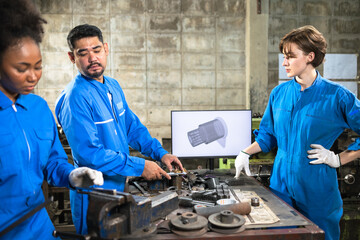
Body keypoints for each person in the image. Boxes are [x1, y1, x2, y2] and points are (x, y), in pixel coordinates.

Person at [55, 24, 184, 234]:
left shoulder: (112, 86)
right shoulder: (75, 98)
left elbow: (131, 127)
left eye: (96, 50)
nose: (92, 58)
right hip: (94, 196)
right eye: (83, 53)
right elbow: (90, 155)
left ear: (106, 48)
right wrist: (140, 166)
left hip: (118, 189)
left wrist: (160, 153)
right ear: (72, 57)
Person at [234, 25, 360, 240]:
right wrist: (246, 152)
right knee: (282, 234)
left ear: (310, 56)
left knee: (321, 236)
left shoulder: (337, 96)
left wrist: (339, 159)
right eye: (284, 57)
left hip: (317, 185)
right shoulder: (279, 93)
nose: (284, 63)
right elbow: (268, 135)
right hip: (280, 183)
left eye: (290, 57)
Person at [0, 1, 104, 240]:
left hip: (40, 228)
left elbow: (53, 161)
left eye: (38, 66)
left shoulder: (38, 108)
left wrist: (72, 175)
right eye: (21, 68)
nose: (33, 76)